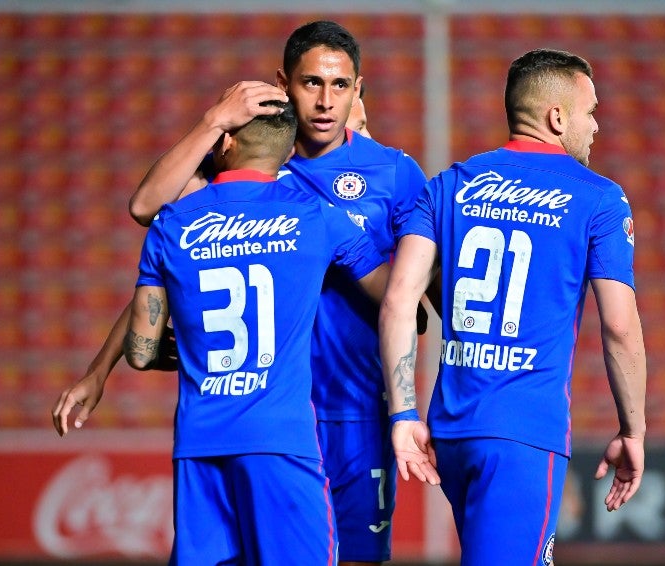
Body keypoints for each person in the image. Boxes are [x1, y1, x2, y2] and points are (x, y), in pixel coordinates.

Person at [54, 21, 428, 566]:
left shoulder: (394, 173)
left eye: (340, 86)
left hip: (353, 411)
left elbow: (413, 299)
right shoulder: (251, 158)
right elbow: (159, 233)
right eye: (310, 84)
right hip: (277, 414)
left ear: (358, 87)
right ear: (283, 83)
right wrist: (98, 370)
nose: (325, 102)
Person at [379, 48, 647, 565]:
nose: (596, 126)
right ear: (556, 116)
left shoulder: (447, 185)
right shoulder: (599, 198)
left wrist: (404, 412)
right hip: (523, 435)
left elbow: (397, 303)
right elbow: (619, 324)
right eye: (591, 112)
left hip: (451, 432)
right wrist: (632, 430)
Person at [124, 99, 391, 564]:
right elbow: (395, 294)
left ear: (225, 143)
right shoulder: (317, 217)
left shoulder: (171, 223)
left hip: (199, 445)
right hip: (281, 441)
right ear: (286, 153)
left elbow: (141, 352)